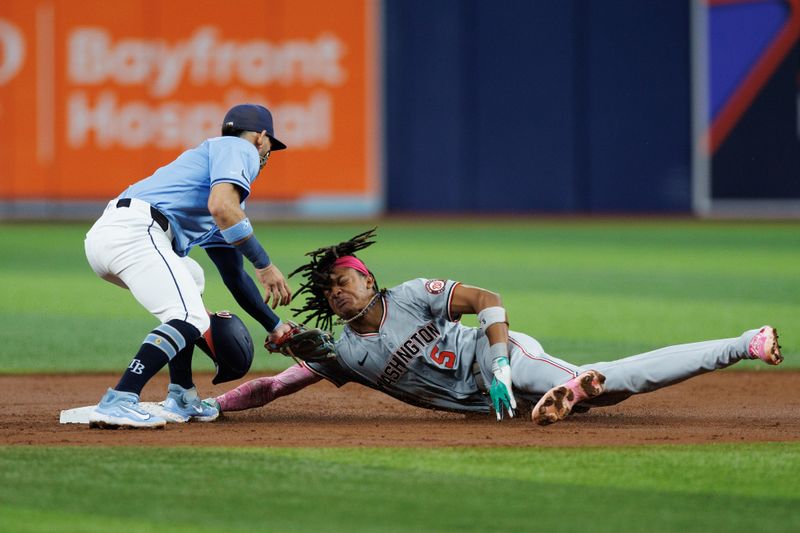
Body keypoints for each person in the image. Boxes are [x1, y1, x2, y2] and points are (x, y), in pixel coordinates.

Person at [208, 228, 784, 426]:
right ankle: (567, 395)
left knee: (601, 384)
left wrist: (503, 363)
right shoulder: (343, 357)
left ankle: (744, 342)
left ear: (369, 279)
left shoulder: (411, 294)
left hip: (494, 359)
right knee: (594, 399)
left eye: (345, 279)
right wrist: (215, 406)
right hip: (487, 404)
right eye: (329, 289)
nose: (337, 290)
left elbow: (489, 299)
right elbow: (272, 388)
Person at [84, 103, 295, 429]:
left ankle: (182, 395)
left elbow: (234, 275)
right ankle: (121, 398)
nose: (268, 153)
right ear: (260, 137)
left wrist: (276, 326)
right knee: (189, 316)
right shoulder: (240, 148)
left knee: (191, 279)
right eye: (270, 145)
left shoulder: (215, 178)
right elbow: (223, 209)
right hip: (137, 231)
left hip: (114, 235)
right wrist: (265, 265)